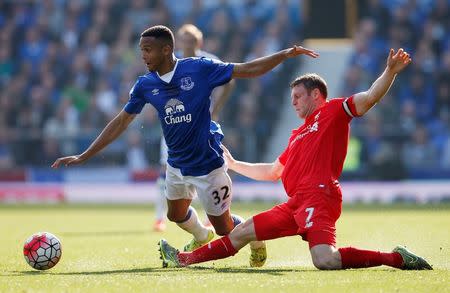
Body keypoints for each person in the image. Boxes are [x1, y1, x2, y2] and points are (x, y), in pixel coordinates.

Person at [51, 25, 319, 267]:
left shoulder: (198, 68)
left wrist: (283, 54)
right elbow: (121, 121)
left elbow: (246, 69)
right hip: (176, 164)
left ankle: (255, 239)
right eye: (141, 50)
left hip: (207, 166)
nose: (143, 56)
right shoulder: (145, 84)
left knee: (225, 228)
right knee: (175, 214)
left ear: (166, 50)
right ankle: (201, 236)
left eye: (148, 50)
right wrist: (85, 154)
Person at [158, 48, 433, 271]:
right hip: (295, 204)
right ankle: (181, 260)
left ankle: (396, 258)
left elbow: (371, 97)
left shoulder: (334, 111)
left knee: (324, 260)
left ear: (316, 95)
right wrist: (233, 164)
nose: (293, 102)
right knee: (242, 232)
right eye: (292, 97)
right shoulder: (297, 134)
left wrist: (390, 71)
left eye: (298, 96)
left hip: (319, 196)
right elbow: (274, 171)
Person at [154, 24, 235, 232]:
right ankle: (159, 217)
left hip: (200, 128)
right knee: (167, 171)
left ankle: (215, 214)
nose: (186, 44)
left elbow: (230, 82)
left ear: (199, 42)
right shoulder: (172, 63)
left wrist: (215, 110)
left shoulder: (206, 61)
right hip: (175, 129)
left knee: (207, 171)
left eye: (191, 40)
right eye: (183, 40)